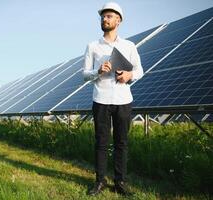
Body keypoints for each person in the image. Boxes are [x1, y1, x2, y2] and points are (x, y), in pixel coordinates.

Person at [83, 2, 144, 196]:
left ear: (118, 20)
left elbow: (139, 69)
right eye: (103, 16)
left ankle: (120, 183)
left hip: (123, 100)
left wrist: (129, 76)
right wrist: (97, 71)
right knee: (101, 142)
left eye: (109, 16)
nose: (104, 19)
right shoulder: (92, 46)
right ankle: (99, 182)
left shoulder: (129, 46)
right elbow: (84, 74)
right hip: (100, 99)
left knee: (121, 143)